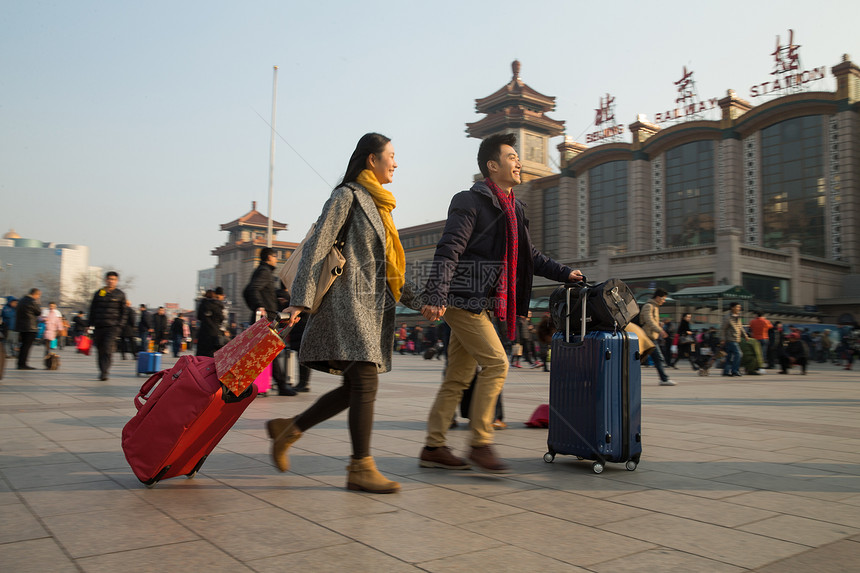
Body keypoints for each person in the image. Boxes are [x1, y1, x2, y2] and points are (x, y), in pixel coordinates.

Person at [418, 132, 582, 473]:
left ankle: (434, 445)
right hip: (463, 297)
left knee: (458, 377)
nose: (518, 161)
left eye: (517, 156)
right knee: (497, 364)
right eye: (511, 156)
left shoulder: (515, 208)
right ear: (492, 166)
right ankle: (480, 442)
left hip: (483, 301)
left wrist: (566, 273)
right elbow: (450, 247)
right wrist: (436, 292)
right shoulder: (470, 201)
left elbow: (529, 256)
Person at [267, 132, 420, 493]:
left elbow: (389, 268)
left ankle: (289, 429)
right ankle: (360, 467)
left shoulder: (381, 205)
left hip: (368, 307)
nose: (396, 163)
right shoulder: (346, 196)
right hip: (346, 307)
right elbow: (318, 247)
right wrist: (300, 301)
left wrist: (420, 300)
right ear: (372, 159)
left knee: (355, 385)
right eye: (392, 155)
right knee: (365, 381)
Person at [244, 248, 295, 396]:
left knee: (267, 353)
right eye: (274, 256)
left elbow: (247, 291)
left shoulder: (262, 270)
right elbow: (252, 290)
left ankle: (279, 385)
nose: (276, 259)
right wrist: (259, 307)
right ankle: (281, 386)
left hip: (266, 318)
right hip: (266, 319)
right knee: (270, 352)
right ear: (268, 257)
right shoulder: (264, 271)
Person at [88, 272, 127, 380]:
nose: (111, 281)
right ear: (106, 280)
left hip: (112, 327)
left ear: (117, 281)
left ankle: (105, 371)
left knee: (107, 348)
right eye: (109, 279)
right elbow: (92, 309)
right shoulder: (99, 293)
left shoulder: (120, 294)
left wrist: (120, 325)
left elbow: (124, 312)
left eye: (113, 279)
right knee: (100, 349)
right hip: (99, 326)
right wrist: (89, 324)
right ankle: (102, 369)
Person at [639, 289, 677, 386]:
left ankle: (664, 379)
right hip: (647, 337)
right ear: (658, 297)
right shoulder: (649, 306)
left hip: (650, 337)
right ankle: (664, 379)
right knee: (658, 358)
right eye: (663, 299)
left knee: (643, 359)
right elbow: (649, 321)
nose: (664, 301)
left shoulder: (654, 307)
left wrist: (659, 324)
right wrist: (660, 330)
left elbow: (651, 321)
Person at [196, 287, 228, 358]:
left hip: (203, 333)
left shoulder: (203, 304)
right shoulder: (218, 305)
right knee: (212, 357)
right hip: (215, 334)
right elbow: (222, 319)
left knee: (200, 357)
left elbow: (199, 317)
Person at [720, 302, 748, 377]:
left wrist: (745, 335)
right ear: (732, 308)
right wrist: (722, 339)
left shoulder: (738, 316)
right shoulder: (727, 317)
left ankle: (726, 371)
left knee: (729, 356)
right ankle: (735, 370)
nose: (739, 308)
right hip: (730, 339)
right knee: (739, 354)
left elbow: (740, 327)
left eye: (739, 307)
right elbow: (723, 329)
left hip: (736, 339)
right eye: (737, 307)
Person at [15, 288, 41, 370]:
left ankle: (20, 363)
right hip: (30, 327)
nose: (38, 297)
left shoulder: (21, 300)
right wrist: (38, 303)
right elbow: (38, 312)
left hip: (21, 326)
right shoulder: (32, 301)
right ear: (35, 294)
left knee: (23, 346)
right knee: (26, 346)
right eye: (38, 295)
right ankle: (23, 364)